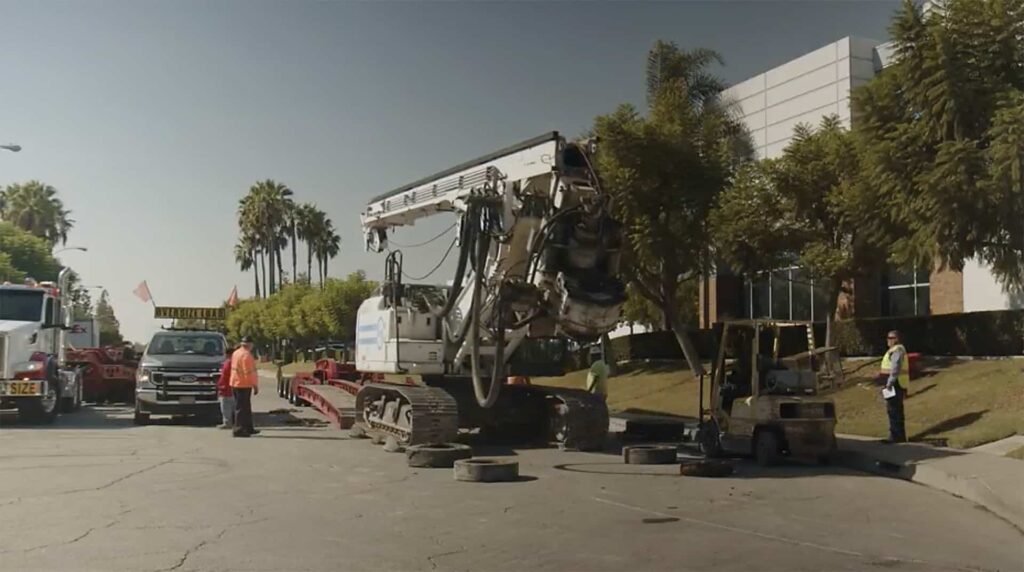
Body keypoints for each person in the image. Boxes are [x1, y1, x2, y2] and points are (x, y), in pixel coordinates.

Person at [880, 330, 909, 443]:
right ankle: (898, 435)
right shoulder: (894, 350)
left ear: (896, 339)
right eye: (888, 337)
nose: (888, 340)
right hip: (895, 383)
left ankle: (896, 436)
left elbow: (895, 368)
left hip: (895, 384)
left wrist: (889, 383)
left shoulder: (897, 350)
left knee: (893, 410)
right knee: (895, 410)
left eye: (890, 338)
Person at [230, 336, 260, 437]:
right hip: (243, 383)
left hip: (236, 382)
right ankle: (238, 429)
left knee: (245, 407)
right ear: (250, 345)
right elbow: (248, 372)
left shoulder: (236, 352)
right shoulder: (246, 355)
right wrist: (254, 385)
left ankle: (248, 427)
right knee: (242, 407)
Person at [216, 345, 235, 430]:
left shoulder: (228, 363)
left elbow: (225, 376)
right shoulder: (233, 362)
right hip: (231, 387)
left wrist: (220, 385)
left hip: (226, 387)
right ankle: (233, 422)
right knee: (233, 406)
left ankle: (227, 422)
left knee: (225, 406)